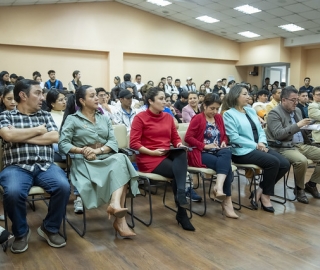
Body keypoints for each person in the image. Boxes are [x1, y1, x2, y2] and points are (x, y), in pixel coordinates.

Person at [59, 85, 139, 237]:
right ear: (82, 101)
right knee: (121, 165)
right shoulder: (72, 119)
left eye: (97, 95)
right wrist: (82, 150)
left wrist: (97, 150)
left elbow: (113, 143)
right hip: (84, 161)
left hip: (104, 157)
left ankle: (115, 205)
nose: (97, 98)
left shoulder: (104, 118)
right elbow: (63, 144)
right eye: (92, 96)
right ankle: (119, 220)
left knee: (121, 158)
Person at [0, 79, 70, 253]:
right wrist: (39, 130)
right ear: (23, 96)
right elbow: (7, 136)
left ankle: (49, 228)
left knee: (63, 186)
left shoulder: (45, 115)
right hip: (16, 166)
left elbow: (54, 137)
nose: (42, 97)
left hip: (46, 165)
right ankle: (21, 233)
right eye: (37, 93)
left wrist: (18, 136)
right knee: (14, 192)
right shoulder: (6, 116)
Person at [130, 87, 195, 231]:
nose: (164, 101)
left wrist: (178, 144)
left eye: (165, 98)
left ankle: (180, 195)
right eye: (161, 99)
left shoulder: (168, 117)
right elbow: (134, 143)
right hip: (149, 158)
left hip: (166, 153)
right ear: (150, 101)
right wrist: (152, 152)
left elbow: (175, 138)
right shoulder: (140, 118)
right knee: (178, 172)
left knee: (181, 152)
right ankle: (182, 210)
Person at [223, 84, 290, 212]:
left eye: (248, 94)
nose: (248, 96)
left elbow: (260, 130)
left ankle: (260, 190)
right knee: (273, 162)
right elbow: (234, 138)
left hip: (258, 147)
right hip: (241, 151)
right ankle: (266, 196)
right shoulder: (229, 114)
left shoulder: (250, 110)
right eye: (244, 94)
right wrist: (256, 145)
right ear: (235, 96)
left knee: (285, 164)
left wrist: (262, 143)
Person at [185, 94, 238, 218]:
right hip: (200, 152)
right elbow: (188, 138)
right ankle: (227, 202)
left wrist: (224, 141)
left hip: (218, 150)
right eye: (212, 108)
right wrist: (204, 146)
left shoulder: (219, 117)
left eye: (217, 109)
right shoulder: (197, 118)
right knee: (227, 168)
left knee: (227, 152)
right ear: (204, 106)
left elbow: (224, 135)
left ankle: (219, 187)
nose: (214, 111)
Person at [266, 86, 320, 204]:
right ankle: (299, 189)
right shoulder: (274, 113)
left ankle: (311, 184)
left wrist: (310, 127)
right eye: (293, 100)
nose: (296, 102)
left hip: (301, 145)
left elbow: (301, 130)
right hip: (283, 147)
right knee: (301, 161)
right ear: (283, 100)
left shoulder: (298, 111)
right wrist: (298, 125)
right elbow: (278, 135)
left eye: (297, 99)